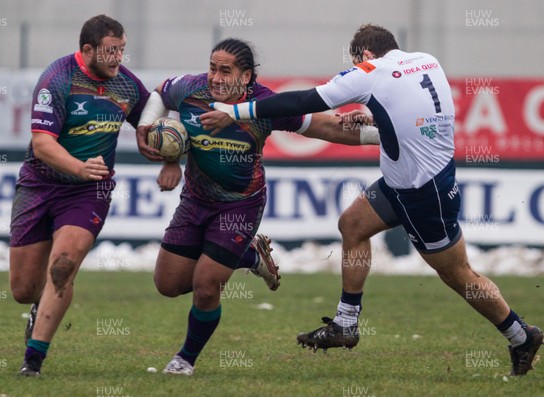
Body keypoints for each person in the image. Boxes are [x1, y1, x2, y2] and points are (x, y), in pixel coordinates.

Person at [201, 24, 542, 376]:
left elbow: (305, 100)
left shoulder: (371, 71)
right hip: (407, 180)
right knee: (353, 223)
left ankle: (521, 334)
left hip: (424, 193)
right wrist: (375, 114)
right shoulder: (426, 60)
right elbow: (416, 114)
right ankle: (346, 323)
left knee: (458, 275)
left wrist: (235, 112)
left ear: (363, 56)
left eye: (355, 62)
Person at [136, 37, 379, 375]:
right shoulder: (190, 90)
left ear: (246, 77)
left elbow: (323, 127)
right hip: (195, 200)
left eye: (226, 71)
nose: (216, 78)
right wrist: (149, 130)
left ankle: (184, 360)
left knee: (206, 287)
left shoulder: (263, 104)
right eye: (212, 69)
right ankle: (250, 255)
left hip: (241, 205)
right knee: (168, 284)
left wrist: (385, 137)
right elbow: (160, 93)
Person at [9, 15, 150, 376]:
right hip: (40, 185)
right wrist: (78, 166)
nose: (118, 58)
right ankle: (38, 308)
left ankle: (33, 361)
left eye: (121, 49)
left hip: (90, 189)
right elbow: (42, 145)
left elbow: (153, 116)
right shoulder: (57, 80)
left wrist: (166, 155)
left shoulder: (127, 85)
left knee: (63, 265)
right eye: (109, 51)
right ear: (87, 50)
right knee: (24, 289)